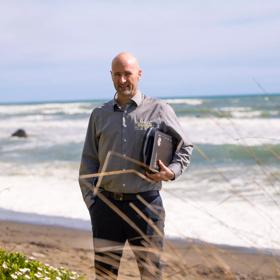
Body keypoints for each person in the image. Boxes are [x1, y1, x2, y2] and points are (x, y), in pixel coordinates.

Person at [79, 52, 193, 279]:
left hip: (147, 206)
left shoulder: (159, 109)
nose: (122, 80)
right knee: (104, 274)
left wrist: (172, 173)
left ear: (139, 74)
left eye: (127, 74)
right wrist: (92, 202)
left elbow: (185, 147)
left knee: (151, 273)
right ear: (111, 76)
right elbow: (89, 160)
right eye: (117, 74)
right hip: (106, 206)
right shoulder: (99, 115)